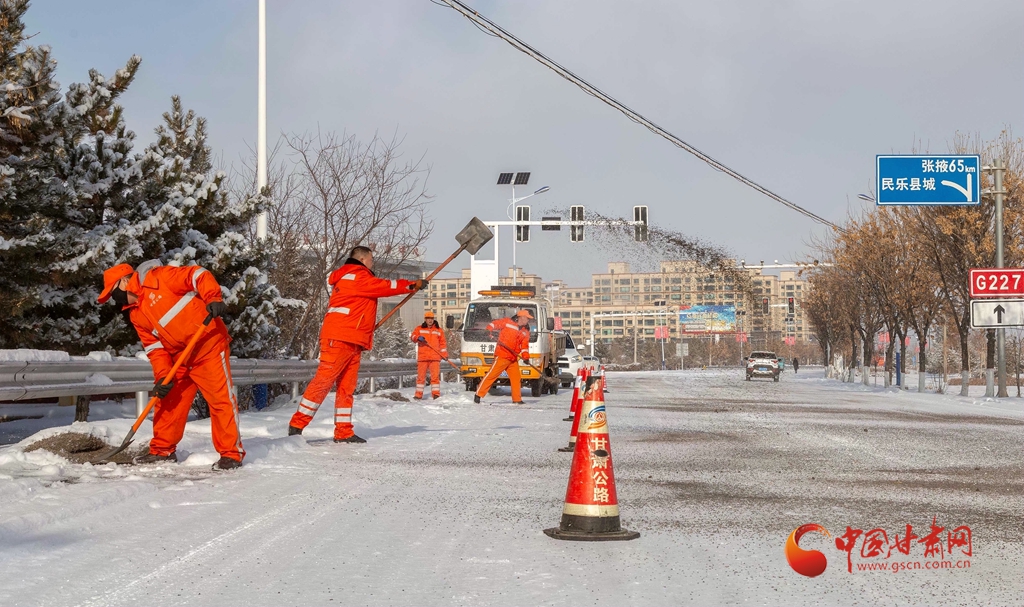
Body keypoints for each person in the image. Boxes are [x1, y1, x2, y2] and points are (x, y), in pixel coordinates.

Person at [98, 261, 244, 471]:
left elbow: (198, 274)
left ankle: (231, 454)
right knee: (168, 400)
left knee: (220, 400)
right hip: (179, 358)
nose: (115, 300)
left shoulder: (159, 278)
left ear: (123, 282)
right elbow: (155, 349)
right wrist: (162, 376)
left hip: (207, 345)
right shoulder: (136, 314)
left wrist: (213, 297)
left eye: (113, 293)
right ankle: (162, 451)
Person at [288, 246, 426, 443]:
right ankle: (297, 424)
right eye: (371, 259)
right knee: (324, 381)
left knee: (346, 387)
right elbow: (384, 286)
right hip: (340, 337)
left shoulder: (354, 276)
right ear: (362, 259)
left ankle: (343, 431)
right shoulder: (355, 275)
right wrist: (412, 284)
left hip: (353, 339)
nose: (372, 263)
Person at [473, 309, 533, 405]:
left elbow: (524, 346)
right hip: (502, 355)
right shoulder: (507, 322)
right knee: (491, 375)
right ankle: (478, 394)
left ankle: (517, 399)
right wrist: (488, 330)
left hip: (513, 358)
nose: (528, 320)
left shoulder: (525, 331)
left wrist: (526, 357)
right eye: (527, 318)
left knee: (516, 378)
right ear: (521, 317)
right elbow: (494, 324)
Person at [411, 311, 447, 400]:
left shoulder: (438, 330)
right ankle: (418, 395)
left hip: (435, 357)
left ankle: (436, 394)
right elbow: (412, 337)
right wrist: (417, 338)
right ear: (425, 319)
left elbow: (442, 343)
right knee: (421, 378)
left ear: (433, 319)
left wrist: (444, 354)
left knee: (435, 377)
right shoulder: (419, 329)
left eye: (431, 318)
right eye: (428, 319)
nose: (430, 320)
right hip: (423, 357)